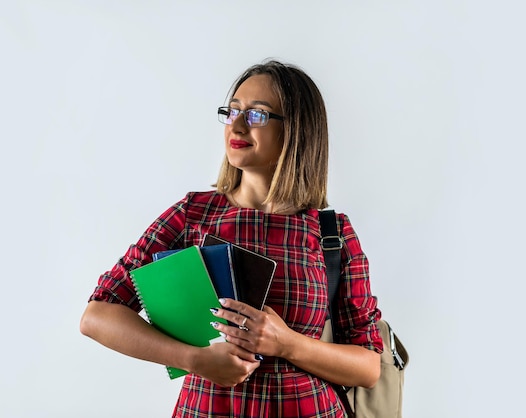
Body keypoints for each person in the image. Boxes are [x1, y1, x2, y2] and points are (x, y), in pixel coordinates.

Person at [80, 60, 383, 417]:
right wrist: (194, 359)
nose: (236, 125)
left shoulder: (332, 233)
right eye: (232, 111)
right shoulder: (193, 214)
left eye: (257, 115)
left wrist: (286, 344)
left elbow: (369, 368)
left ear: (297, 131)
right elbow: (97, 315)